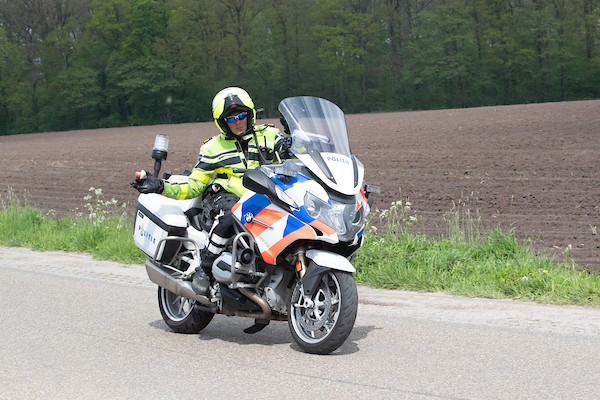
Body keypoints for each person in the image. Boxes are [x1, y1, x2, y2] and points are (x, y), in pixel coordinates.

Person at [132, 87, 292, 294]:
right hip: (225, 197)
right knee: (232, 214)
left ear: (250, 114)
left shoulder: (268, 135)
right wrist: (160, 186)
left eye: (241, 115)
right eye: (231, 119)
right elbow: (194, 185)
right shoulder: (213, 148)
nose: (238, 122)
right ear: (222, 122)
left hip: (264, 196)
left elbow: (296, 154)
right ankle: (205, 269)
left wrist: (293, 139)